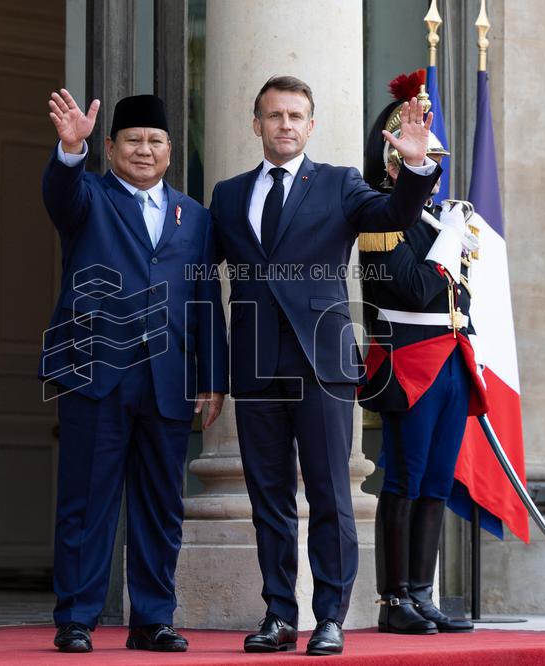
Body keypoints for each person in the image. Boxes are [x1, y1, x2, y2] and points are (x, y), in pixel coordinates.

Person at [208, 75, 439, 656]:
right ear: (255, 124)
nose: (285, 125)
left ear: (311, 126)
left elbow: (392, 216)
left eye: (296, 116)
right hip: (257, 363)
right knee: (269, 495)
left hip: (324, 363)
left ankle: (330, 616)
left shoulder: (338, 184)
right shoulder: (229, 195)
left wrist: (413, 171)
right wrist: (209, 371)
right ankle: (278, 615)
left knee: (332, 494)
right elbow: (207, 286)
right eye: (274, 115)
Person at [41, 89, 228, 654]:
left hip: (168, 379)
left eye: (155, 141)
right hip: (96, 372)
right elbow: (59, 195)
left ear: (170, 149)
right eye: (133, 141)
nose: (144, 151)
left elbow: (202, 296)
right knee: (86, 500)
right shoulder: (88, 196)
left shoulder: (193, 216)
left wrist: (213, 374)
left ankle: (152, 617)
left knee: (161, 504)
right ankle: (76, 616)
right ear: (111, 146)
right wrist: (68, 151)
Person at [358, 70, 488, 636]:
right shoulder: (383, 219)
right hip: (410, 361)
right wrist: (448, 247)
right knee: (404, 480)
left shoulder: (441, 218)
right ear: (392, 163)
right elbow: (409, 287)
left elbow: (461, 297)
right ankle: (393, 602)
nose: (433, 167)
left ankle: (421, 593)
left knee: (436, 480)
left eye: (437, 157)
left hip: (453, 359)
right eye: (420, 156)